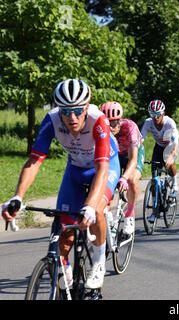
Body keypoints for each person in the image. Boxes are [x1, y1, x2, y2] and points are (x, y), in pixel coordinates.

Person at [1, 79, 120, 291]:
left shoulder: (98, 121)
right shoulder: (52, 120)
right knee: (64, 229)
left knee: (98, 212)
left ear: (86, 106)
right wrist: (17, 197)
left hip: (104, 167)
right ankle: (63, 273)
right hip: (75, 169)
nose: (71, 117)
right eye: (65, 110)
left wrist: (91, 206)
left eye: (77, 110)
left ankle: (99, 261)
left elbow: (102, 170)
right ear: (59, 109)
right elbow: (35, 160)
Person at [100, 101, 144, 235]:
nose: (111, 128)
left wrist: (124, 178)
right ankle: (107, 217)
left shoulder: (130, 127)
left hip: (131, 153)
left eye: (114, 123)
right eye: (108, 123)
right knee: (106, 184)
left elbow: (133, 159)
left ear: (120, 121)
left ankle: (129, 213)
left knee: (131, 180)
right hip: (114, 156)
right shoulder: (101, 129)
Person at [140, 99, 179, 223]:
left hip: (171, 146)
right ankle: (154, 212)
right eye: (152, 115)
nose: (155, 118)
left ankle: (175, 184)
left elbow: (175, 144)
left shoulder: (170, 123)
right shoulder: (148, 123)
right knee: (154, 179)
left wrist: (171, 157)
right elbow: (140, 140)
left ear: (163, 113)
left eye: (157, 115)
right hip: (158, 146)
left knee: (170, 163)